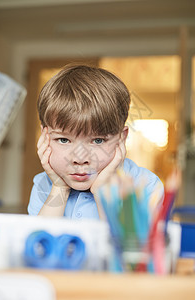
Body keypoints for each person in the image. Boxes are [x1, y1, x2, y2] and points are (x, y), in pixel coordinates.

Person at [28, 64, 164, 220]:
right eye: (64, 140)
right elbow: (41, 242)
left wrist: (102, 191)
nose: (79, 159)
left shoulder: (145, 186)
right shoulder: (43, 183)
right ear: (45, 138)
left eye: (98, 140)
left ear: (122, 138)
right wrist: (59, 188)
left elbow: (123, 245)